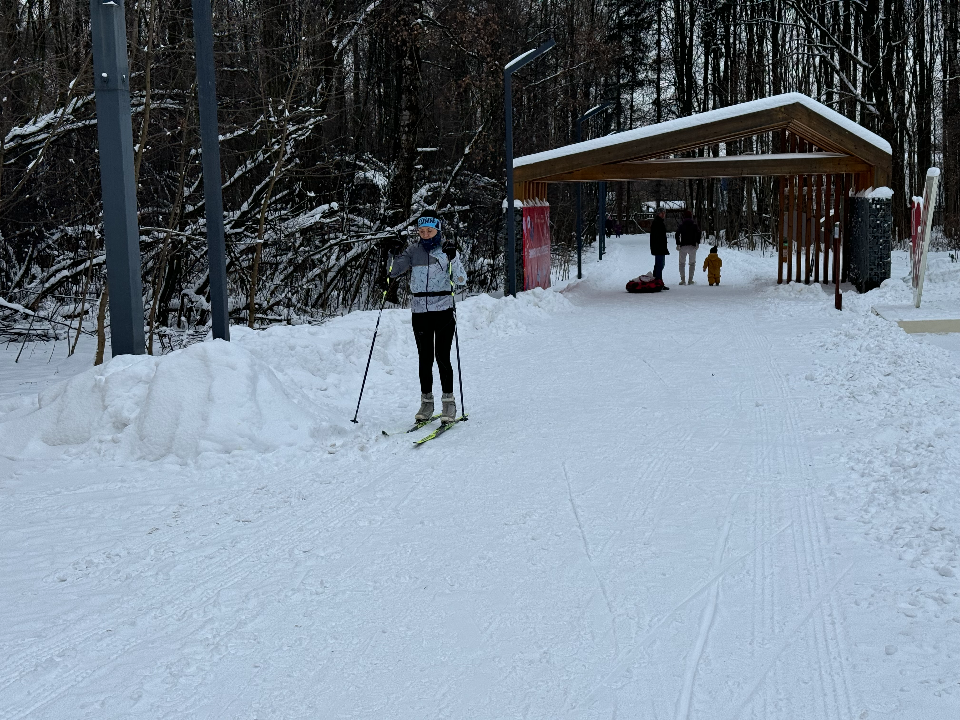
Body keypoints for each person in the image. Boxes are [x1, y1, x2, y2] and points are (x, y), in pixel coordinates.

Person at [386, 216, 467, 424]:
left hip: (443, 309)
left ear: (437, 231)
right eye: (421, 231)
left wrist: (454, 258)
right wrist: (392, 253)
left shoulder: (446, 251)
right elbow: (393, 272)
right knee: (425, 358)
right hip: (420, 311)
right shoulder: (413, 251)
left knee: (442, 356)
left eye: (429, 231)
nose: (425, 235)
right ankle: (426, 402)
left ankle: (449, 402)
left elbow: (460, 280)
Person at [674, 209, 701, 285]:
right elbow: (699, 233)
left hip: (683, 246)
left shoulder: (681, 225)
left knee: (682, 263)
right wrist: (697, 242)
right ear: (691, 216)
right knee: (692, 263)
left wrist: (678, 244)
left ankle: (683, 280)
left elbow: (677, 234)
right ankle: (690, 280)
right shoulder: (694, 225)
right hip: (692, 246)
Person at [649, 207, 670, 289]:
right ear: (659, 214)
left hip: (659, 247)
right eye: (662, 213)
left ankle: (657, 281)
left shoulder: (658, 222)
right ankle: (658, 282)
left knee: (659, 264)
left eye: (664, 213)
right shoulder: (657, 223)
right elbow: (657, 236)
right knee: (659, 265)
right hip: (659, 247)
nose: (664, 214)